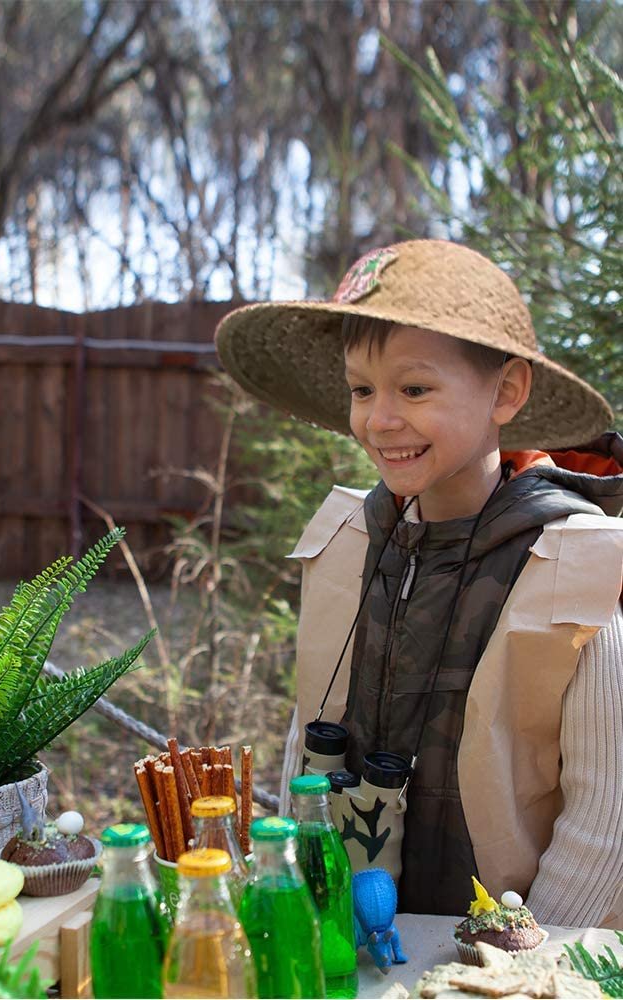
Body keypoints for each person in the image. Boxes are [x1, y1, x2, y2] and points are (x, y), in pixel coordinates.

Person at [214, 240, 623, 928]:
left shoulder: (570, 569)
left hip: (507, 959)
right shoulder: (350, 544)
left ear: (507, 391)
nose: (380, 420)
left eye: (415, 388)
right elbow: (307, 747)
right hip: (351, 944)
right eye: (362, 390)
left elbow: (604, 819)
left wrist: (520, 966)